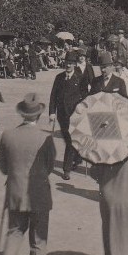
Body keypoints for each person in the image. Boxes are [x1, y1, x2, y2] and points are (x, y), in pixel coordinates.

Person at [0, 93, 58, 255]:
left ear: (22, 114)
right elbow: (49, 167)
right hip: (39, 194)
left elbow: (3, 168)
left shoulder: (8, 135)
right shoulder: (46, 138)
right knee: (39, 239)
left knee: (14, 233)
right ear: (39, 115)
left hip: (15, 193)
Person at [49, 50, 91, 180]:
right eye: (67, 63)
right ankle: (77, 158)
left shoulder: (80, 77)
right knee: (70, 140)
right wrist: (52, 112)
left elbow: (85, 96)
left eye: (71, 63)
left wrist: (84, 108)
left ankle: (66, 169)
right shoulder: (59, 77)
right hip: (62, 115)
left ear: (75, 65)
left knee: (69, 140)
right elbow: (53, 96)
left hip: (75, 114)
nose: (68, 66)